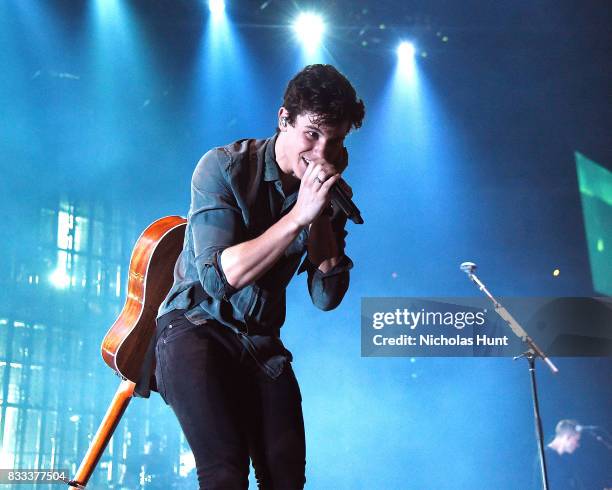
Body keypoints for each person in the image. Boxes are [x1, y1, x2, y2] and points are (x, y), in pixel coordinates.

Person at [154, 64, 365, 489]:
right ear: (284, 118)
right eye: (312, 134)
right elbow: (217, 279)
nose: (323, 152)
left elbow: (326, 297)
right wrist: (295, 220)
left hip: (260, 341)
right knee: (224, 472)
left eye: (336, 140)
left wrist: (319, 218)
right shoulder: (224, 167)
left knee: (286, 477)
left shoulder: (325, 183)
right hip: (196, 326)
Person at [544, 419, 585, 489]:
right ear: (567, 437)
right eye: (576, 440)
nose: (578, 445)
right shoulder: (545, 458)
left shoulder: (565, 459)